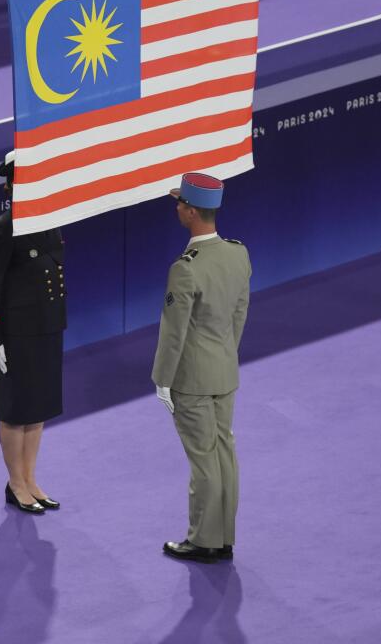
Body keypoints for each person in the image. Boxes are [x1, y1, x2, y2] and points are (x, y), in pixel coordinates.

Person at [152, 173, 250, 564]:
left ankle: (204, 540)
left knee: (203, 460)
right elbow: (238, 314)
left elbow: (173, 334)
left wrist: (162, 379)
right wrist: (224, 354)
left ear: (191, 211)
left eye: (180, 204)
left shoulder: (185, 267)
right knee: (224, 453)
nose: (176, 207)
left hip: (191, 380)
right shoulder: (238, 253)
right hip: (225, 370)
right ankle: (224, 535)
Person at [0, 150, 67, 514]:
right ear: (13, 185)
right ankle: (15, 483)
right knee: (15, 410)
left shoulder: (49, 219)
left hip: (46, 328)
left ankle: (30, 478)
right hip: (16, 334)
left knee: (37, 407)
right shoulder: (3, 227)